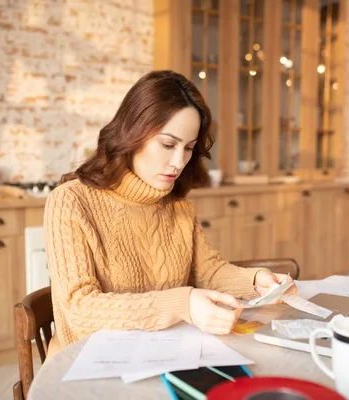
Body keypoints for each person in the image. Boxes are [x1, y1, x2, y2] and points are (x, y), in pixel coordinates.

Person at [44, 70, 296, 358]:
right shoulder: (71, 201)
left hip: (159, 356)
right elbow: (80, 310)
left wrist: (256, 281)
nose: (178, 162)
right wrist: (182, 303)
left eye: (188, 148)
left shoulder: (178, 206)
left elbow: (209, 271)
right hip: (86, 366)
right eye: (167, 144)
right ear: (132, 134)